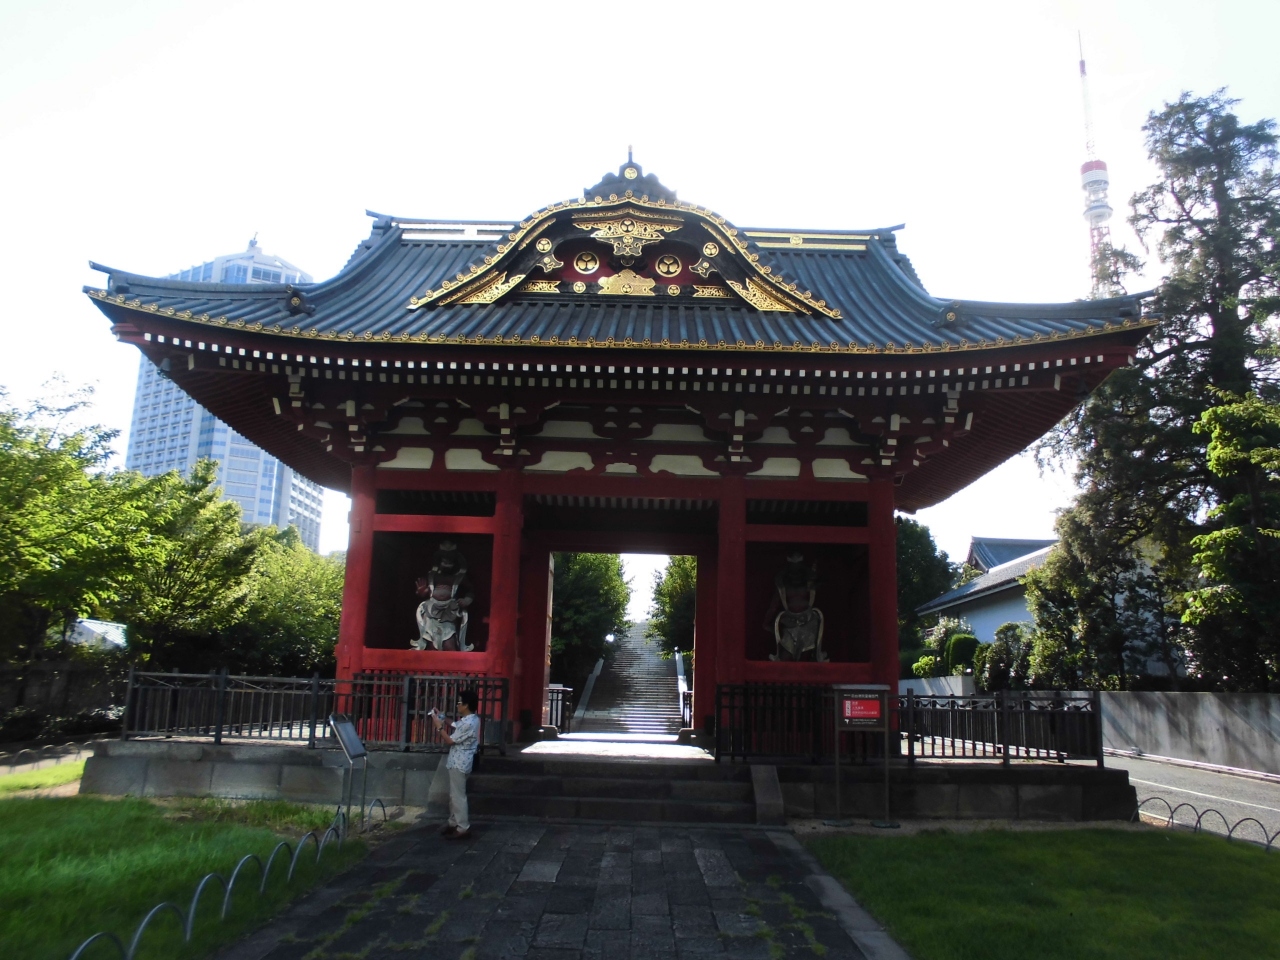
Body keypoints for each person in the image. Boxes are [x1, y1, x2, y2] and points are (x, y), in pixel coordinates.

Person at [434, 689, 481, 839]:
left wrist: (439, 726)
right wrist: (441, 717)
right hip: (460, 762)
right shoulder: (471, 719)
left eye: (459, 703)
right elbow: (455, 725)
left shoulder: (469, 723)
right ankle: (453, 822)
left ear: (466, 705)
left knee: (458, 796)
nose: (457, 705)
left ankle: (462, 827)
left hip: (460, 763)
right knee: (454, 795)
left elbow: (450, 740)